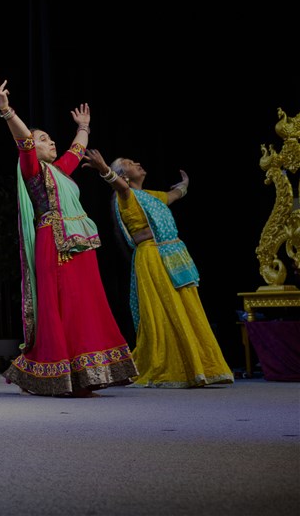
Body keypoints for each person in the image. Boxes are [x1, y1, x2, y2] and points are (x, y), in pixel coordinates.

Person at [0, 77, 136, 396]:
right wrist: (7, 110)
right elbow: (24, 141)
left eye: (50, 138)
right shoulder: (32, 170)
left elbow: (77, 150)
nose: (51, 142)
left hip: (80, 244)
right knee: (63, 305)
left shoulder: (60, 171)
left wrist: (84, 126)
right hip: (54, 243)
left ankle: (85, 373)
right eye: (44, 139)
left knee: (85, 304)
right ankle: (59, 373)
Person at [82, 149, 233, 388]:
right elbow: (119, 186)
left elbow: (172, 196)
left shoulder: (151, 196)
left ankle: (200, 366)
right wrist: (103, 169)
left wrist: (184, 186)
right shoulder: (126, 195)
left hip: (174, 255)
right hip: (152, 257)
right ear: (124, 175)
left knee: (187, 307)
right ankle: (175, 367)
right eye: (129, 163)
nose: (137, 162)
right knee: (165, 310)